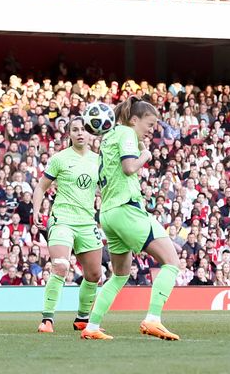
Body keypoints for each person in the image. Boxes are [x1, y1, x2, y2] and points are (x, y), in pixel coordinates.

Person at [81, 97, 181, 340]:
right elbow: (128, 167)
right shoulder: (126, 132)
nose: (151, 130)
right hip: (127, 208)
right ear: (134, 119)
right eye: (149, 124)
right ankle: (153, 319)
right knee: (171, 261)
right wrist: (145, 155)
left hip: (108, 213)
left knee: (120, 275)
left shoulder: (109, 137)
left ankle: (92, 327)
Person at [35, 117, 103, 333]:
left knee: (94, 274)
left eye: (83, 129)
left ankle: (82, 318)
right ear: (69, 134)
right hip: (62, 219)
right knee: (61, 265)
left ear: (90, 133)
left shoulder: (98, 160)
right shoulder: (59, 159)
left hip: (86, 221)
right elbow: (40, 188)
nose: (80, 133)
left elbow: (106, 190)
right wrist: (36, 210)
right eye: (75, 130)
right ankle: (47, 319)